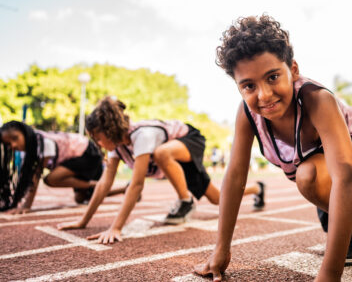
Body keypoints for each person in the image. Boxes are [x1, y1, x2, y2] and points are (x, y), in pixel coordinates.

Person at [194, 15, 352, 282]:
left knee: (309, 178)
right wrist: (221, 251)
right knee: (330, 214)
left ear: (293, 69)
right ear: (238, 87)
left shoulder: (316, 99)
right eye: (249, 86)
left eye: (273, 77)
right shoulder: (247, 114)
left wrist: (329, 274)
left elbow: (345, 176)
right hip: (319, 158)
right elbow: (234, 177)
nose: (264, 95)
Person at [57, 97, 265, 243]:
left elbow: (137, 185)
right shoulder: (117, 147)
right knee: (217, 198)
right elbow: (104, 184)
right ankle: (257, 189)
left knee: (162, 153)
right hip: (174, 159)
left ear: (109, 131)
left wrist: (116, 227)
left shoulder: (142, 136)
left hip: (188, 141)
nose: (98, 143)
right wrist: (82, 221)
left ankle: (185, 201)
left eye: (97, 137)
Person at [0, 121, 124, 214]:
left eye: (15, 138)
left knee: (50, 179)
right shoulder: (28, 151)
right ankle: (123, 189)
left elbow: (35, 176)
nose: (14, 145)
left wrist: (26, 206)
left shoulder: (43, 143)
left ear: (25, 133)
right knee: (82, 198)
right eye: (8, 144)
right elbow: (26, 176)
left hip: (87, 153)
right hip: (76, 158)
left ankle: (95, 185)